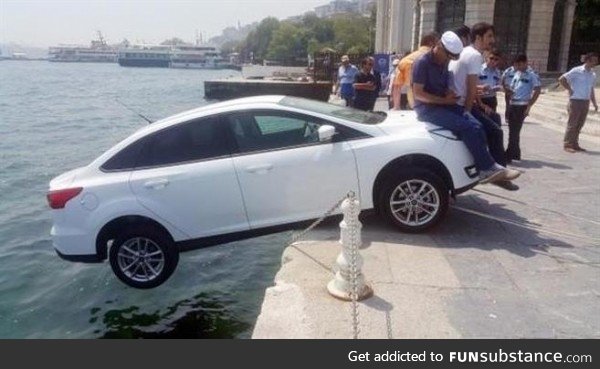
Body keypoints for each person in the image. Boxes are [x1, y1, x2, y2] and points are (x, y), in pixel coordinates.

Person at [411, 31, 518, 184]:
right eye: (448, 56)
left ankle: (483, 167)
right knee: (469, 127)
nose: (449, 60)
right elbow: (418, 94)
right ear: (439, 47)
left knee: (478, 125)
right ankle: (487, 167)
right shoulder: (422, 63)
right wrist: (445, 100)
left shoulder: (444, 61)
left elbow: (445, 84)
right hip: (427, 110)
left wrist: (449, 93)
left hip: (444, 104)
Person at [448, 23, 520, 190]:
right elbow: (471, 87)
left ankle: (495, 170)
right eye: (489, 36)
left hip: (461, 101)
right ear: (478, 38)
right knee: (489, 130)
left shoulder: (465, 52)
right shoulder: (474, 55)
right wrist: (466, 112)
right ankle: (490, 170)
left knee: (494, 124)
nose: (492, 40)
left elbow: (467, 84)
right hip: (460, 104)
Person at [558, 51, 598, 152]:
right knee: (572, 123)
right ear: (588, 61)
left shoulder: (592, 74)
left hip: (585, 101)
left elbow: (591, 89)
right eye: (594, 61)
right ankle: (567, 144)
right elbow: (562, 79)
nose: (595, 63)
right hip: (575, 100)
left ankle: (575, 143)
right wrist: (569, 89)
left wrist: (594, 103)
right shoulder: (577, 70)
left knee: (580, 123)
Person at [504, 54, 541, 163]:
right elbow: (514, 87)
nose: (518, 67)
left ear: (525, 62)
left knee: (514, 131)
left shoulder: (531, 75)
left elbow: (537, 89)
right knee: (512, 131)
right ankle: (515, 154)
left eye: (520, 64)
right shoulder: (516, 73)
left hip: (521, 105)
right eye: (516, 64)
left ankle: (509, 154)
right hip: (512, 103)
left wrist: (529, 105)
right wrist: (508, 90)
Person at [393, 32, 439, 110]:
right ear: (432, 43)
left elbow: (397, 87)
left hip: (414, 104)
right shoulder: (437, 58)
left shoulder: (405, 60)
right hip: (435, 104)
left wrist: (396, 107)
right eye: (438, 43)